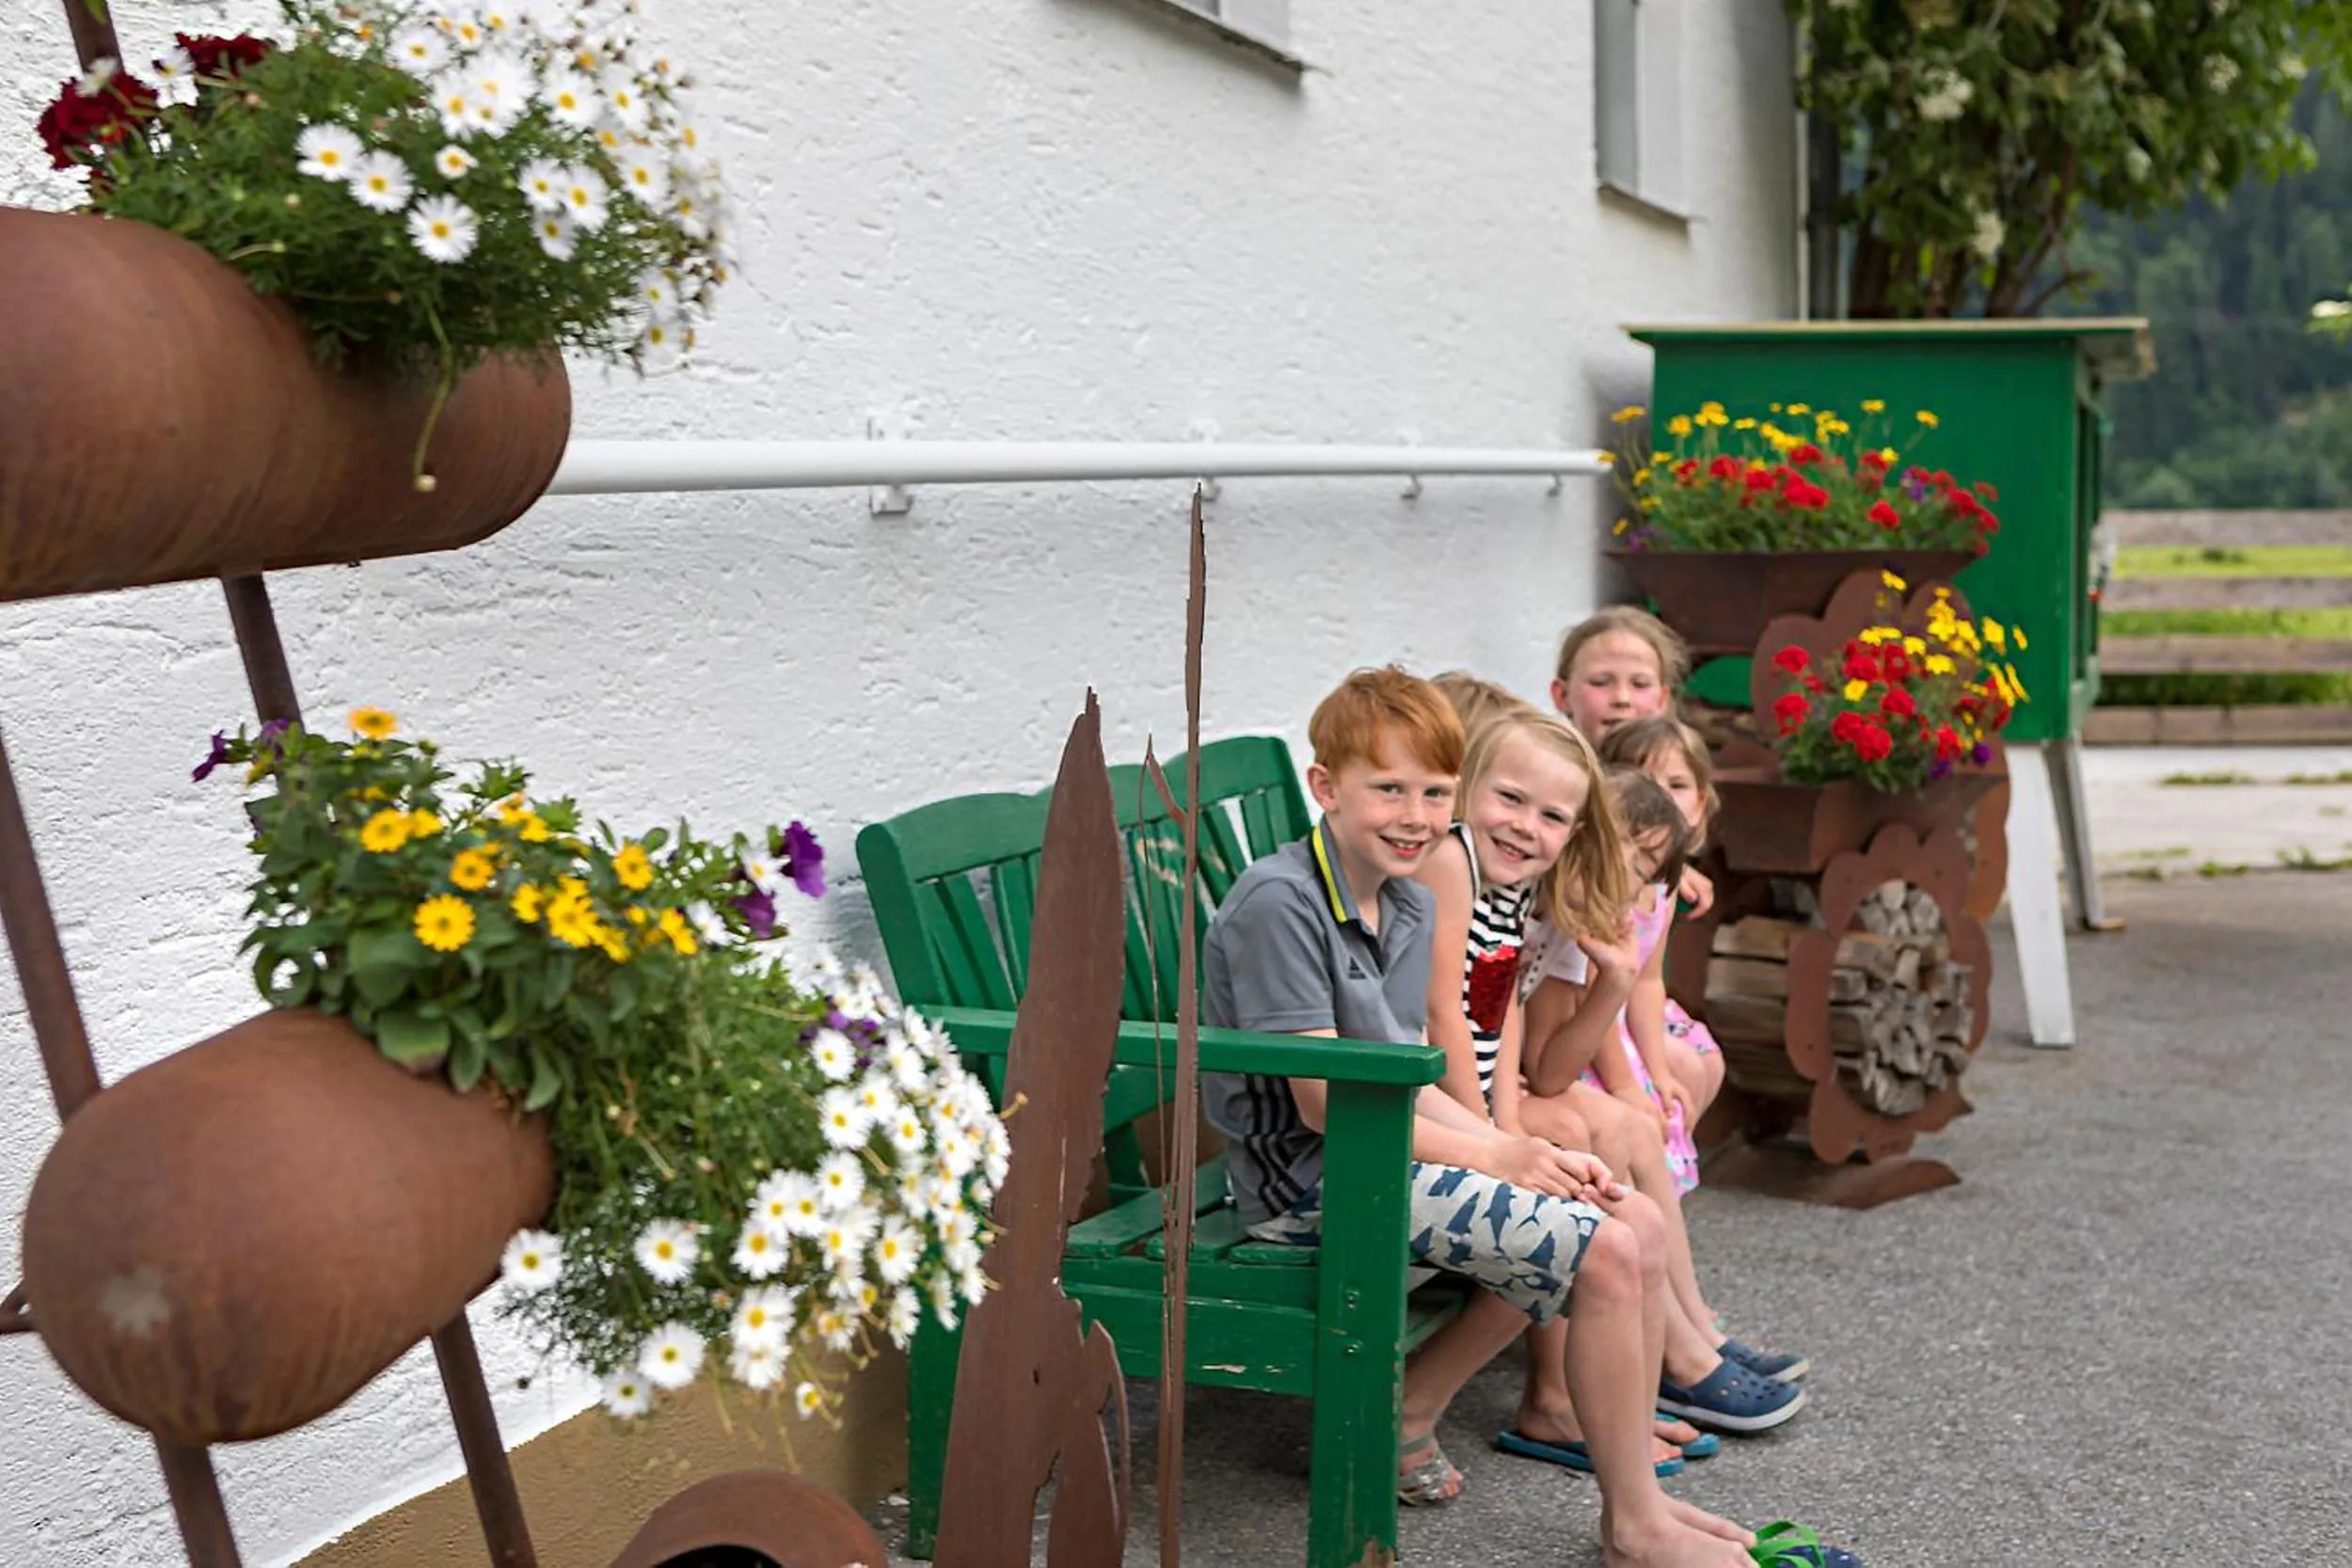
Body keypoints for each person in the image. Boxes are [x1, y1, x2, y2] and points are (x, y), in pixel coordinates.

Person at [1200, 667, 1849, 1567]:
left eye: (1432, 793)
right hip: (1311, 1185)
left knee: (1626, 1211)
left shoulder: (1399, 898)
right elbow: (1326, 1099)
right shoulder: (1284, 904)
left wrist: (1507, 1148)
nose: (1414, 814)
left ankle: (1630, 1501)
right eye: (1388, 789)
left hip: (1382, 1149)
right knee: (1603, 1244)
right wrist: (1499, 1155)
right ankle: (1634, 1525)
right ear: (1326, 788)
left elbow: (1402, 1077)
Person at [1595, 715, 1731, 1148]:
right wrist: (1645, 1080)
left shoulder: (1662, 885)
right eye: (1643, 780)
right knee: (1675, 1080)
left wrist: (1655, 1074)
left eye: (1676, 785)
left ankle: (1667, 1187)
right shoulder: (1607, 884)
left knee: (1705, 1064)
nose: (1659, 798)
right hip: (1595, 1018)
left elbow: (1648, 979)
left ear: (1700, 801)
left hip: (1634, 1005)